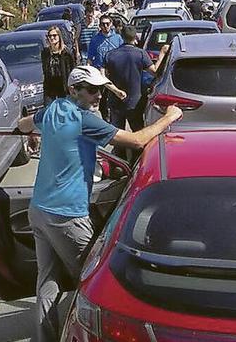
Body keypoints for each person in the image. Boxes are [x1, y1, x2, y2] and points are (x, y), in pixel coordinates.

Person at [16, 66, 183, 342]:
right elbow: (137, 140)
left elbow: (24, 124)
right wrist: (169, 117)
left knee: (47, 283)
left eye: (101, 90)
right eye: (92, 90)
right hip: (67, 215)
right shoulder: (85, 121)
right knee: (96, 279)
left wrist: (32, 132)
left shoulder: (54, 109)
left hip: (39, 209)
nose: (98, 96)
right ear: (74, 90)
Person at [104, 25, 168, 132]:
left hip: (115, 101)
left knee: (118, 134)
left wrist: (116, 91)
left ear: (121, 37)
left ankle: (120, 149)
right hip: (135, 101)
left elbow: (103, 78)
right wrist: (162, 52)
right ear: (135, 38)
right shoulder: (140, 54)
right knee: (138, 132)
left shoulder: (110, 55)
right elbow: (155, 72)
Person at [41, 26, 77, 101]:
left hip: (63, 86)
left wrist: (72, 86)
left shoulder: (66, 53)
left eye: (54, 35)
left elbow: (72, 70)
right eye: (50, 36)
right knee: (49, 110)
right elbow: (45, 71)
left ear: (59, 36)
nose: (52, 38)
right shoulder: (45, 53)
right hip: (50, 87)